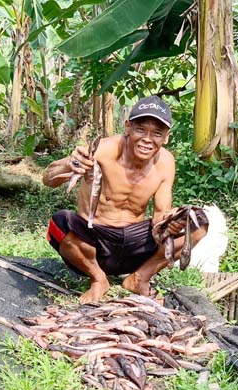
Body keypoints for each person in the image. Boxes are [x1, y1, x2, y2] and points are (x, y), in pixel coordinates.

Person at [43, 95, 208, 303]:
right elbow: (48, 179)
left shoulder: (165, 162)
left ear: (166, 137)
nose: (147, 139)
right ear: (127, 126)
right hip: (94, 243)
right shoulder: (104, 149)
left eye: (157, 133)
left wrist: (170, 222)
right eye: (140, 130)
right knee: (59, 222)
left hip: (135, 247)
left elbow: (159, 216)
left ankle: (139, 278)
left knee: (198, 221)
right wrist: (70, 163)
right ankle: (98, 278)